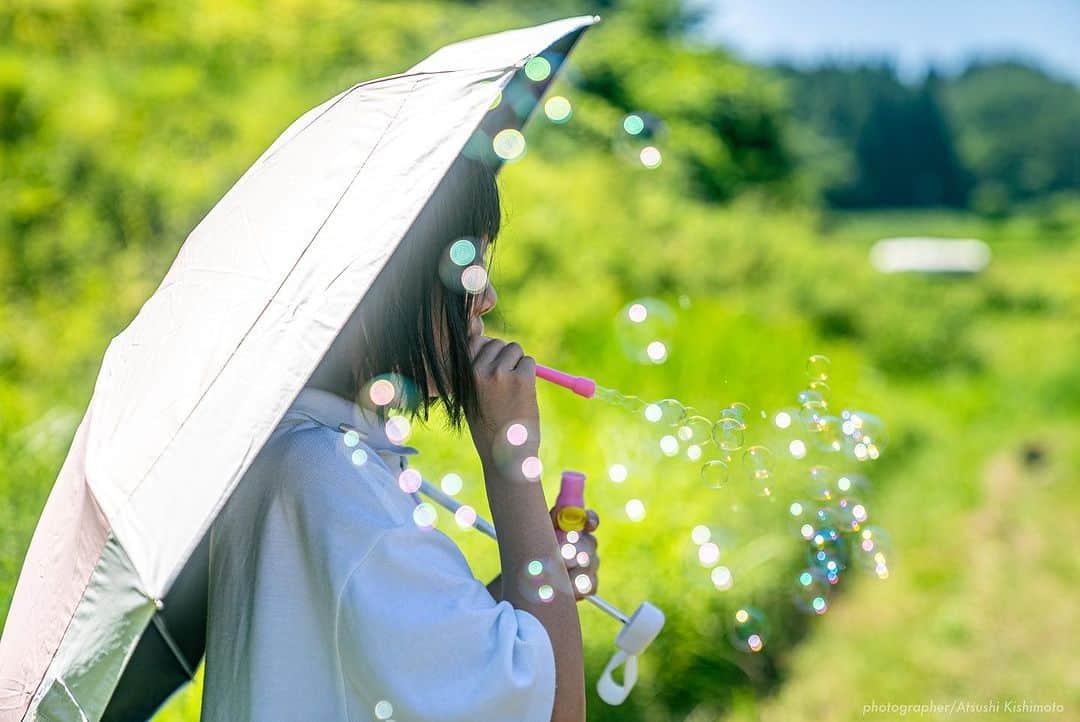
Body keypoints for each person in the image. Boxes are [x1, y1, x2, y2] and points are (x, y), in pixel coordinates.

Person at [200, 153, 599, 722]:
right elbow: (557, 710)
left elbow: (401, 660)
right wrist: (512, 462)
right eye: (470, 263)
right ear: (386, 283)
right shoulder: (334, 482)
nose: (486, 299)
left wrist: (540, 587)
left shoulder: (300, 453)